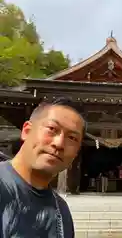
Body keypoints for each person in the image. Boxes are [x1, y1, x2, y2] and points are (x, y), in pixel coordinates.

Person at [0, 97, 86, 238]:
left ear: (77, 152)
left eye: (72, 138)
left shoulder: (61, 210)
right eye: (52, 129)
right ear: (27, 131)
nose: (59, 143)